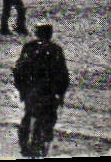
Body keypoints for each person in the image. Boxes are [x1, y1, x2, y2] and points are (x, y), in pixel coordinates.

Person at [14, 23, 69, 157]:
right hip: (48, 91)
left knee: (29, 116)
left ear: (37, 33)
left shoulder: (29, 48)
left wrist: (22, 89)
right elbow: (62, 73)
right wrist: (60, 93)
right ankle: (39, 145)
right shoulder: (55, 50)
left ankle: (25, 145)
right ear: (50, 34)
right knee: (47, 118)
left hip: (31, 90)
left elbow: (18, 70)